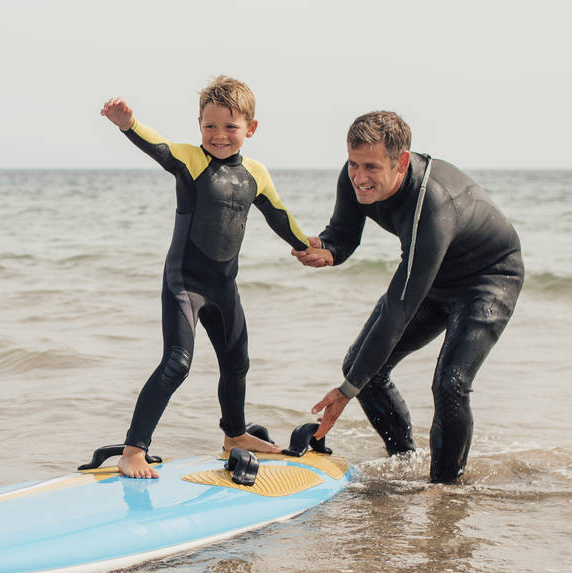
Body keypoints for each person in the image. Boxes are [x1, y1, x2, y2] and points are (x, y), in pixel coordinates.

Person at [293, 110, 523, 483]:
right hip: (434, 274)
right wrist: (330, 250)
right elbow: (344, 232)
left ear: (401, 162)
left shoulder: (431, 205)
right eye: (353, 164)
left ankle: (445, 488)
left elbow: (398, 309)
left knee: (449, 384)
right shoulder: (355, 176)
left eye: (370, 167)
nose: (359, 177)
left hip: (488, 279)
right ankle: (404, 461)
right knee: (363, 366)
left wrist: (346, 392)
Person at [100, 75, 312, 478]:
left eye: (230, 127)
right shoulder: (191, 161)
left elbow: (279, 216)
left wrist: (306, 247)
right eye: (209, 126)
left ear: (250, 128)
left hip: (223, 286)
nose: (219, 135)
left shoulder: (256, 173)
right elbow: (158, 147)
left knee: (237, 362)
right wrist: (128, 124)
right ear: (199, 125)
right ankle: (133, 450)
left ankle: (235, 435)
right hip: (185, 283)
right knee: (178, 363)